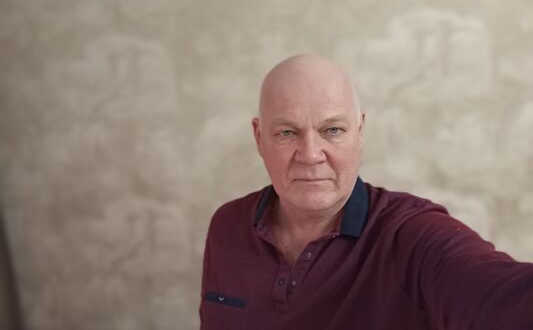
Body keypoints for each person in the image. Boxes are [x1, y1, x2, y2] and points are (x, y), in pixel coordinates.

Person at [199, 53, 533, 329]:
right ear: (259, 137)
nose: (311, 154)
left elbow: (500, 293)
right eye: (287, 132)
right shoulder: (227, 225)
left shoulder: (410, 236)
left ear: (360, 131)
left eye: (333, 130)